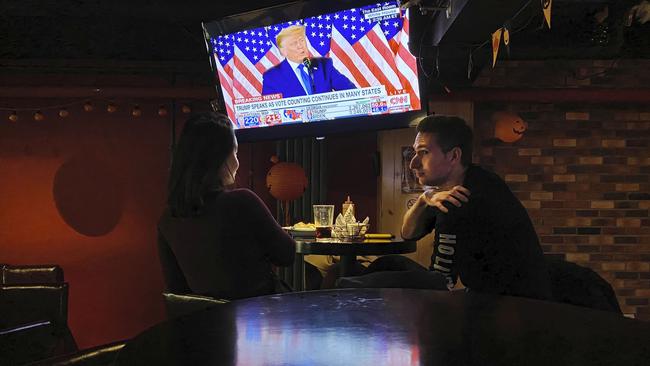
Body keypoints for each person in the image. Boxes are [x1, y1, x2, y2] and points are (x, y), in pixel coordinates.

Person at [339, 115, 553, 301]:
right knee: (388, 263)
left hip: (510, 307)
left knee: (349, 284)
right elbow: (408, 233)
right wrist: (425, 199)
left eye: (423, 153)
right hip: (489, 295)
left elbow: (442, 283)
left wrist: (352, 285)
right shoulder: (453, 187)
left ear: (453, 156)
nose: (413, 163)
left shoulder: (463, 198)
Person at [157, 112, 296, 300]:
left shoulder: (167, 219)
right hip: (263, 321)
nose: (237, 163)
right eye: (235, 152)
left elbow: (176, 289)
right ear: (220, 158)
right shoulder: (242, 202)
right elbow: (286, 255)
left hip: (208, 325)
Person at [262, 25, 356, 98]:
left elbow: (351, 92)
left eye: (301, 40)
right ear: (283, 51)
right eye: (294, 43)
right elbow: (269, 112)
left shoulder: (324, 65)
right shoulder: (272, 77)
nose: (300, 46)